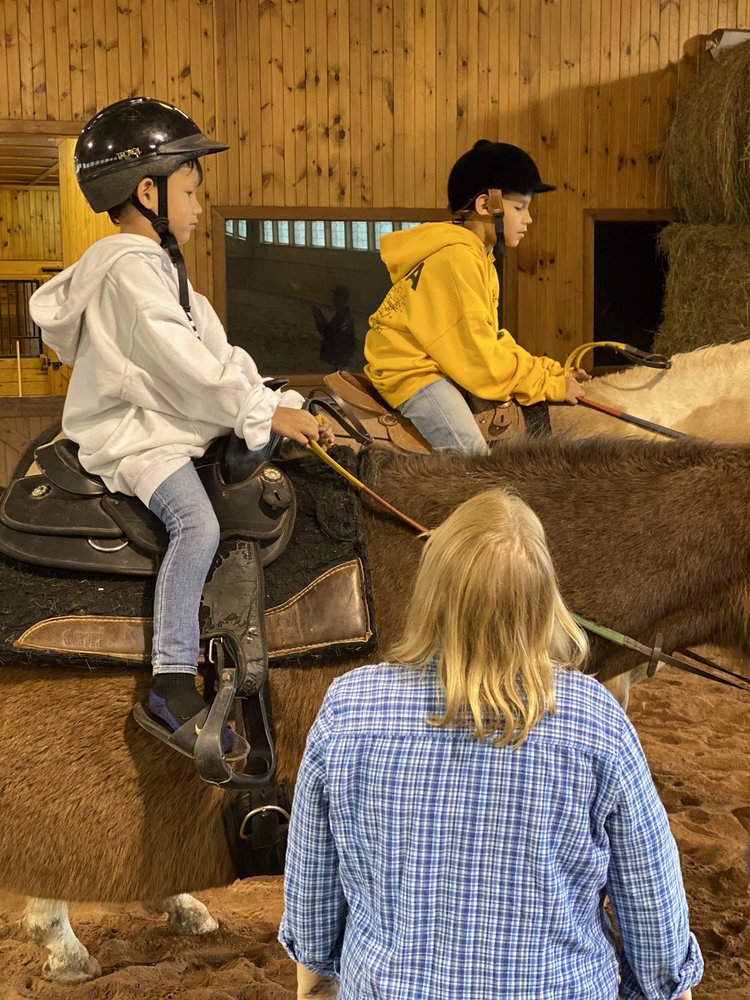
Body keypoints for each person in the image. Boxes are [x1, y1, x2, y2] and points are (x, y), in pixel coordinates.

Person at [278, 488, 703, 1000]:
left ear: (433, 586)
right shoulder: (595, 722)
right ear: (544, 596)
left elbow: (311, 892)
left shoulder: (350, 708)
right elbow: (653, 908)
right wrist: (663, 984)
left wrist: (315, 979)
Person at [29, 97, 331, 760]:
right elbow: (188, 367)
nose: (197, 207)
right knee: (199, 525)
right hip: (137, 433)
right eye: (191, 192)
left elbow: (217, 354)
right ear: (148, 191)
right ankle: (169, 684)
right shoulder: (130, 270)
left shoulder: (163, 268)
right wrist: (257, 413)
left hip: (167, 420)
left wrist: (271, 399)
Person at [364, 139, 589, 454]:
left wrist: (550, 371)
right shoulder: (459, 260)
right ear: (486, 206)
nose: (529, 220)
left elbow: (492, 339)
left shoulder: (481, 259)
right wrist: (549, 385)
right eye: (519, 208)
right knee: (472, 457)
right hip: (413, 373)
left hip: (436, 362)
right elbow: (482, 364)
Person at [311, 284, 357, 369]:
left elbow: (329, 333)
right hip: (339, 361)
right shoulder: (343, 315)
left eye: (336, 296)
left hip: (338, 362)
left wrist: (318, 317)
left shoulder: (343, 317)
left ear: (343, 298)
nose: (334, 298)